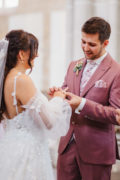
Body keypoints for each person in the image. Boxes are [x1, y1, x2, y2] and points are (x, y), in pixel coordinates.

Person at [50, 17, 120, 180]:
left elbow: (117, 115)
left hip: (96, 150)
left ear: (105, 43)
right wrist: (59, 94)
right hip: (67, 146)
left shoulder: (116, 71)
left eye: (92, 44)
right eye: (83, 42)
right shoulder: (74, 65)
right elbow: (68, 91)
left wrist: (82, 104)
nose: (85, 48)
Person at [0, 30, 71, 180]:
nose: (37, 55)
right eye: (34, 50)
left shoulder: (7, 78)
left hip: (11, 148)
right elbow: (49, 122)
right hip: (27, 153)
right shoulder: (21, 80)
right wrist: (59, 98)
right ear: (21, 54)